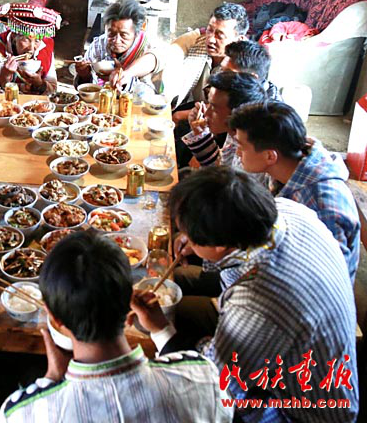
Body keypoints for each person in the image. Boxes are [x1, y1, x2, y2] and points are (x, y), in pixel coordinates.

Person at [132, 167, 359, 423]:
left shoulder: (255, 302)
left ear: (219, 244)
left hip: (301, 408)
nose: (187, 240)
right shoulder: (289, 211)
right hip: (300, 347)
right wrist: (199, 240)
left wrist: (160, 329)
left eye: (191, 236)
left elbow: (211, 384)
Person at [0, 231, 233, 423]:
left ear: (55, 320)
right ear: (130, 304)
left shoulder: (22, 414)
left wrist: (52, 380)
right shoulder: (206, 379)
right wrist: (162, 330)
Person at [230, 101, 360, 281]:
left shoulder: (321, 206)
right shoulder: (285, 166)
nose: (238, 153)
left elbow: (328, 280)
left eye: (242, 146)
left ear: (270, 156)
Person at [158, 2, 249, 112]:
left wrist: (179, 116)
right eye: (209, 30)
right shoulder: (198, 43)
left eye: (220, 35)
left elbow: (229, 109)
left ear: (239, 40)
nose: (210, 39)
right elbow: (167, 55)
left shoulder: (243, 68)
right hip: (196, 107)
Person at [0, 3, 61, 107]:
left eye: (37, 40)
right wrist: (5, 76)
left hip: (34, 99)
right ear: (14, 36)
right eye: (26, 40)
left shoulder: (46, 45)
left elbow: (53, 90)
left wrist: (40, 84)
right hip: (4, 100)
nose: (31, 49)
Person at [179, 70, 266, 169]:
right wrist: (199, 133)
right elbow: (220, 168)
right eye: (209, 104)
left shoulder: (254, 155)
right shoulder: (233, 134)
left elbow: (221, 176)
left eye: (214, 108)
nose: (206, 113)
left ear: (236, 113)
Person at [74, 0, 159, 95]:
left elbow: (151, 94)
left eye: (124, 35)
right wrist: (84, 76)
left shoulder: (147, 49)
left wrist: (123, 79)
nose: (116, 41)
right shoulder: (99, 45)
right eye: (111, 34)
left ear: (136, 33)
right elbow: (84, 89)